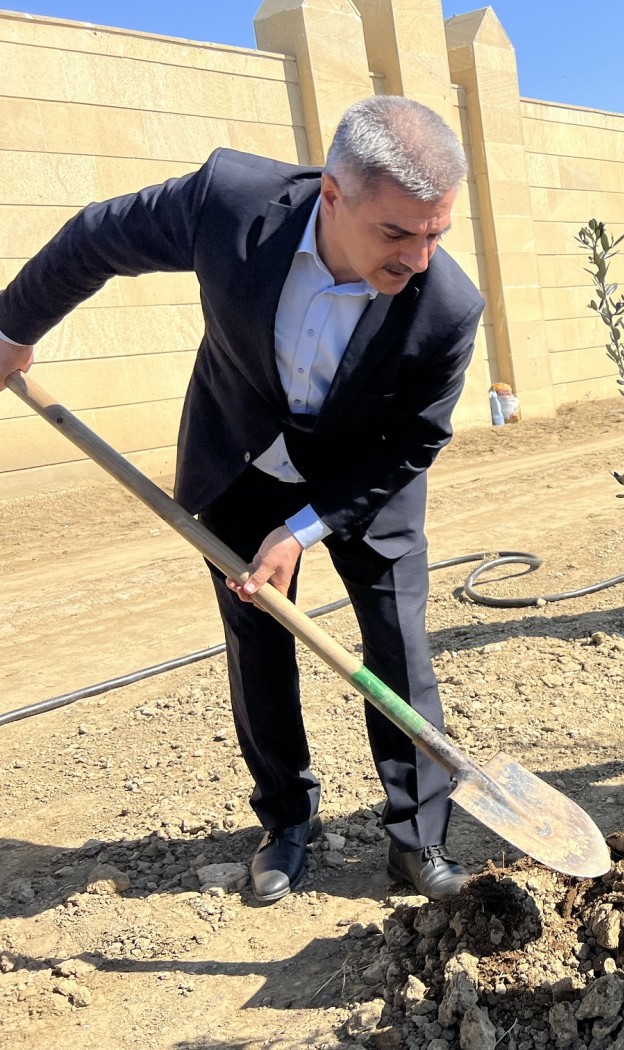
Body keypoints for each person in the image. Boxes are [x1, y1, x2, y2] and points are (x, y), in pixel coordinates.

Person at [0, 97, 484, 904]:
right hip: (240, 458)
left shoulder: (445, 306)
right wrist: (13, 326)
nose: (420, 258)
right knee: (256, 639)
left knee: (397, 650)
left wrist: (305, 528)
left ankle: (416, 842)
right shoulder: (227, 203)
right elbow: (96, 237)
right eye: (397, 234)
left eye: (436, 232)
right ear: (332, 195)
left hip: (363, 478)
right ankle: (287, 822)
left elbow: (414, 443)